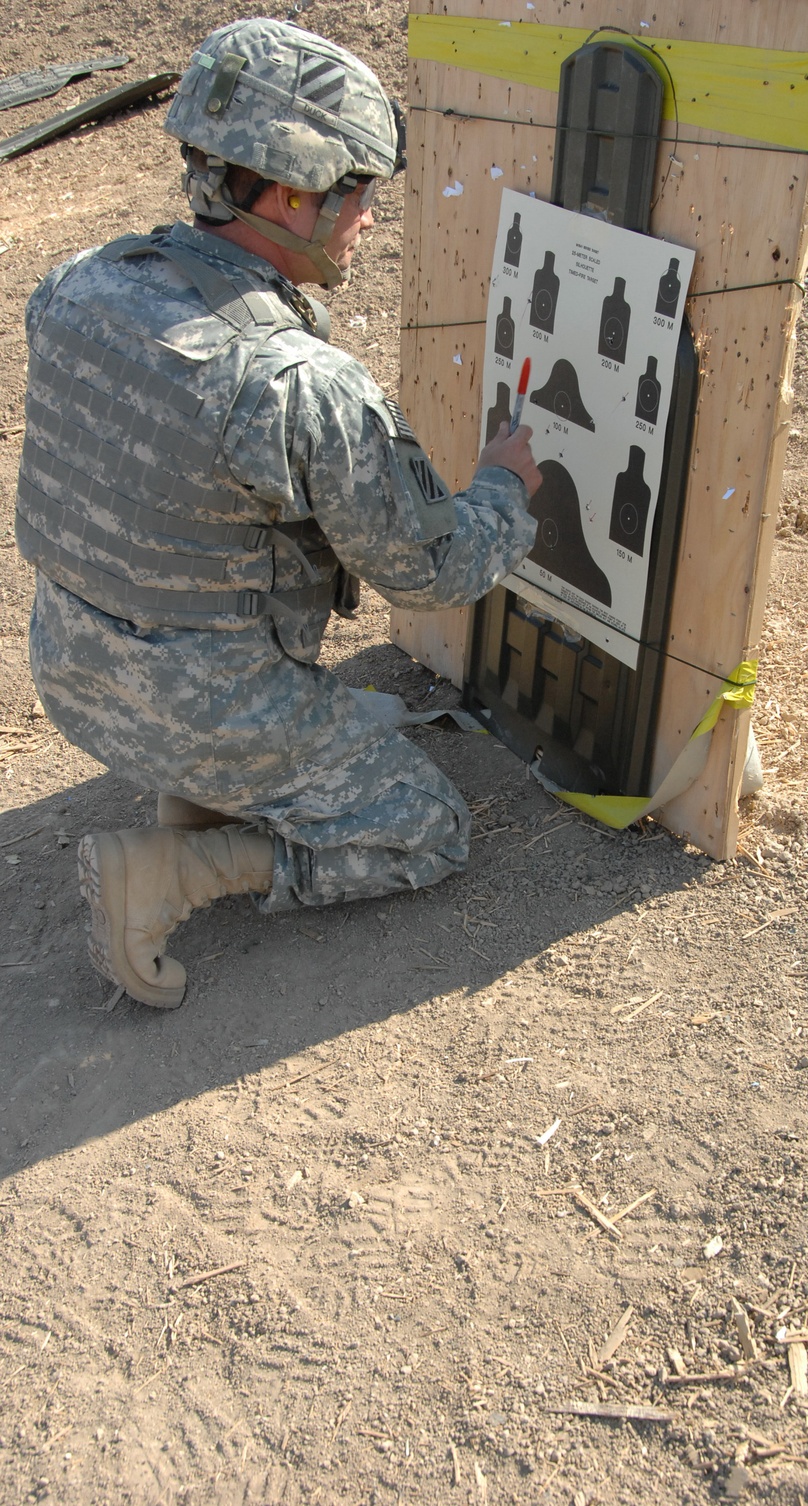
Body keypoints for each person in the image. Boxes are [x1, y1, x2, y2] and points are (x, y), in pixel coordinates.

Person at [14, 18, 540, 1011]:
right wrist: (507, 485)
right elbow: (437, 570)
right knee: (427, 827)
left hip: (77, 673)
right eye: (359, 192)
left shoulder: (78, 285)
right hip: (204, 704)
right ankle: (175, 871)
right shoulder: (294, 384)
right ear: (292, 189)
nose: (368, 219)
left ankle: (208, 787)